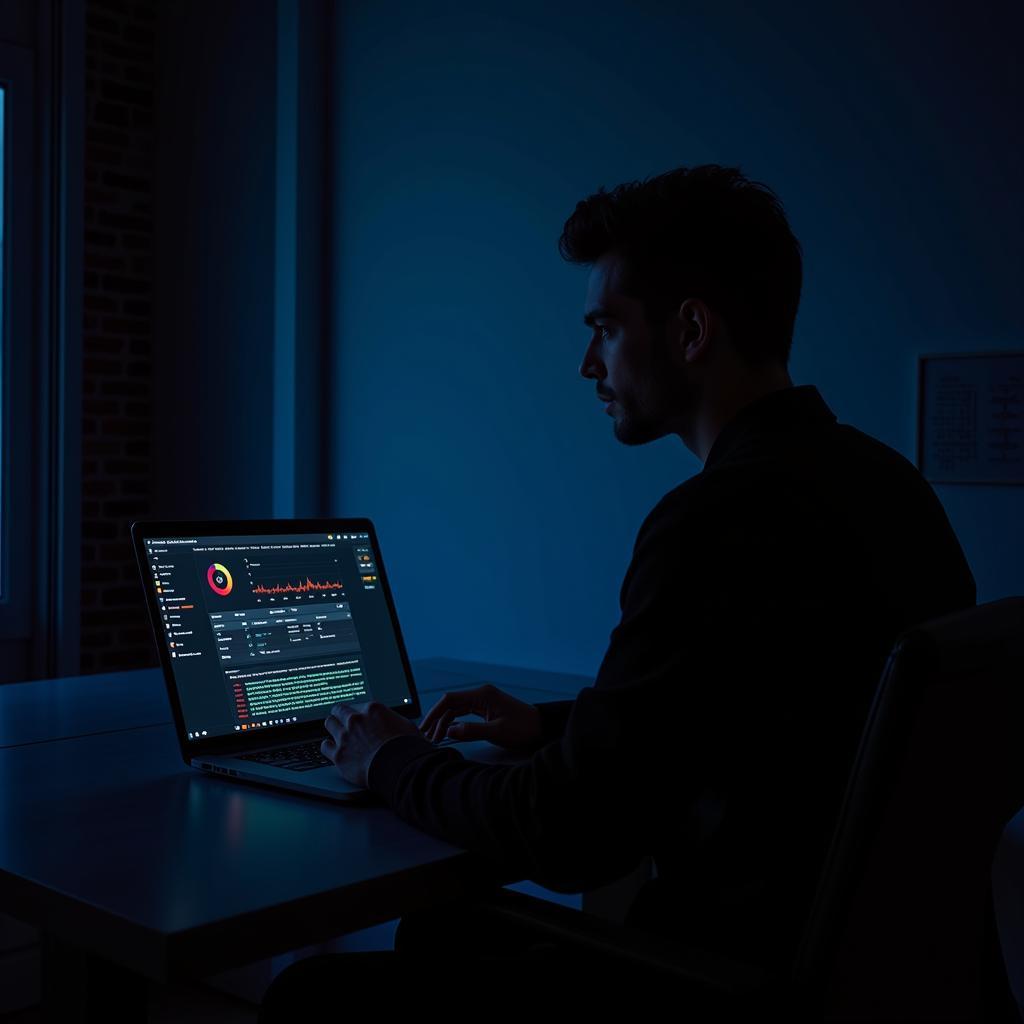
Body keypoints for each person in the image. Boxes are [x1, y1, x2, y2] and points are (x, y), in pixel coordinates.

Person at [257, 164, 976, 1019]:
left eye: (604, 328)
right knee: (441, 933)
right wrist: (556, 726)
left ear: (691, 331)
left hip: (714, 980)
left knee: (311, 996)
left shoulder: (712, 522)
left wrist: (390, 758)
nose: (586, 363)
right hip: (883, 983)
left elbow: (565, 836)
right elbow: (769, 715)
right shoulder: (890, 486)